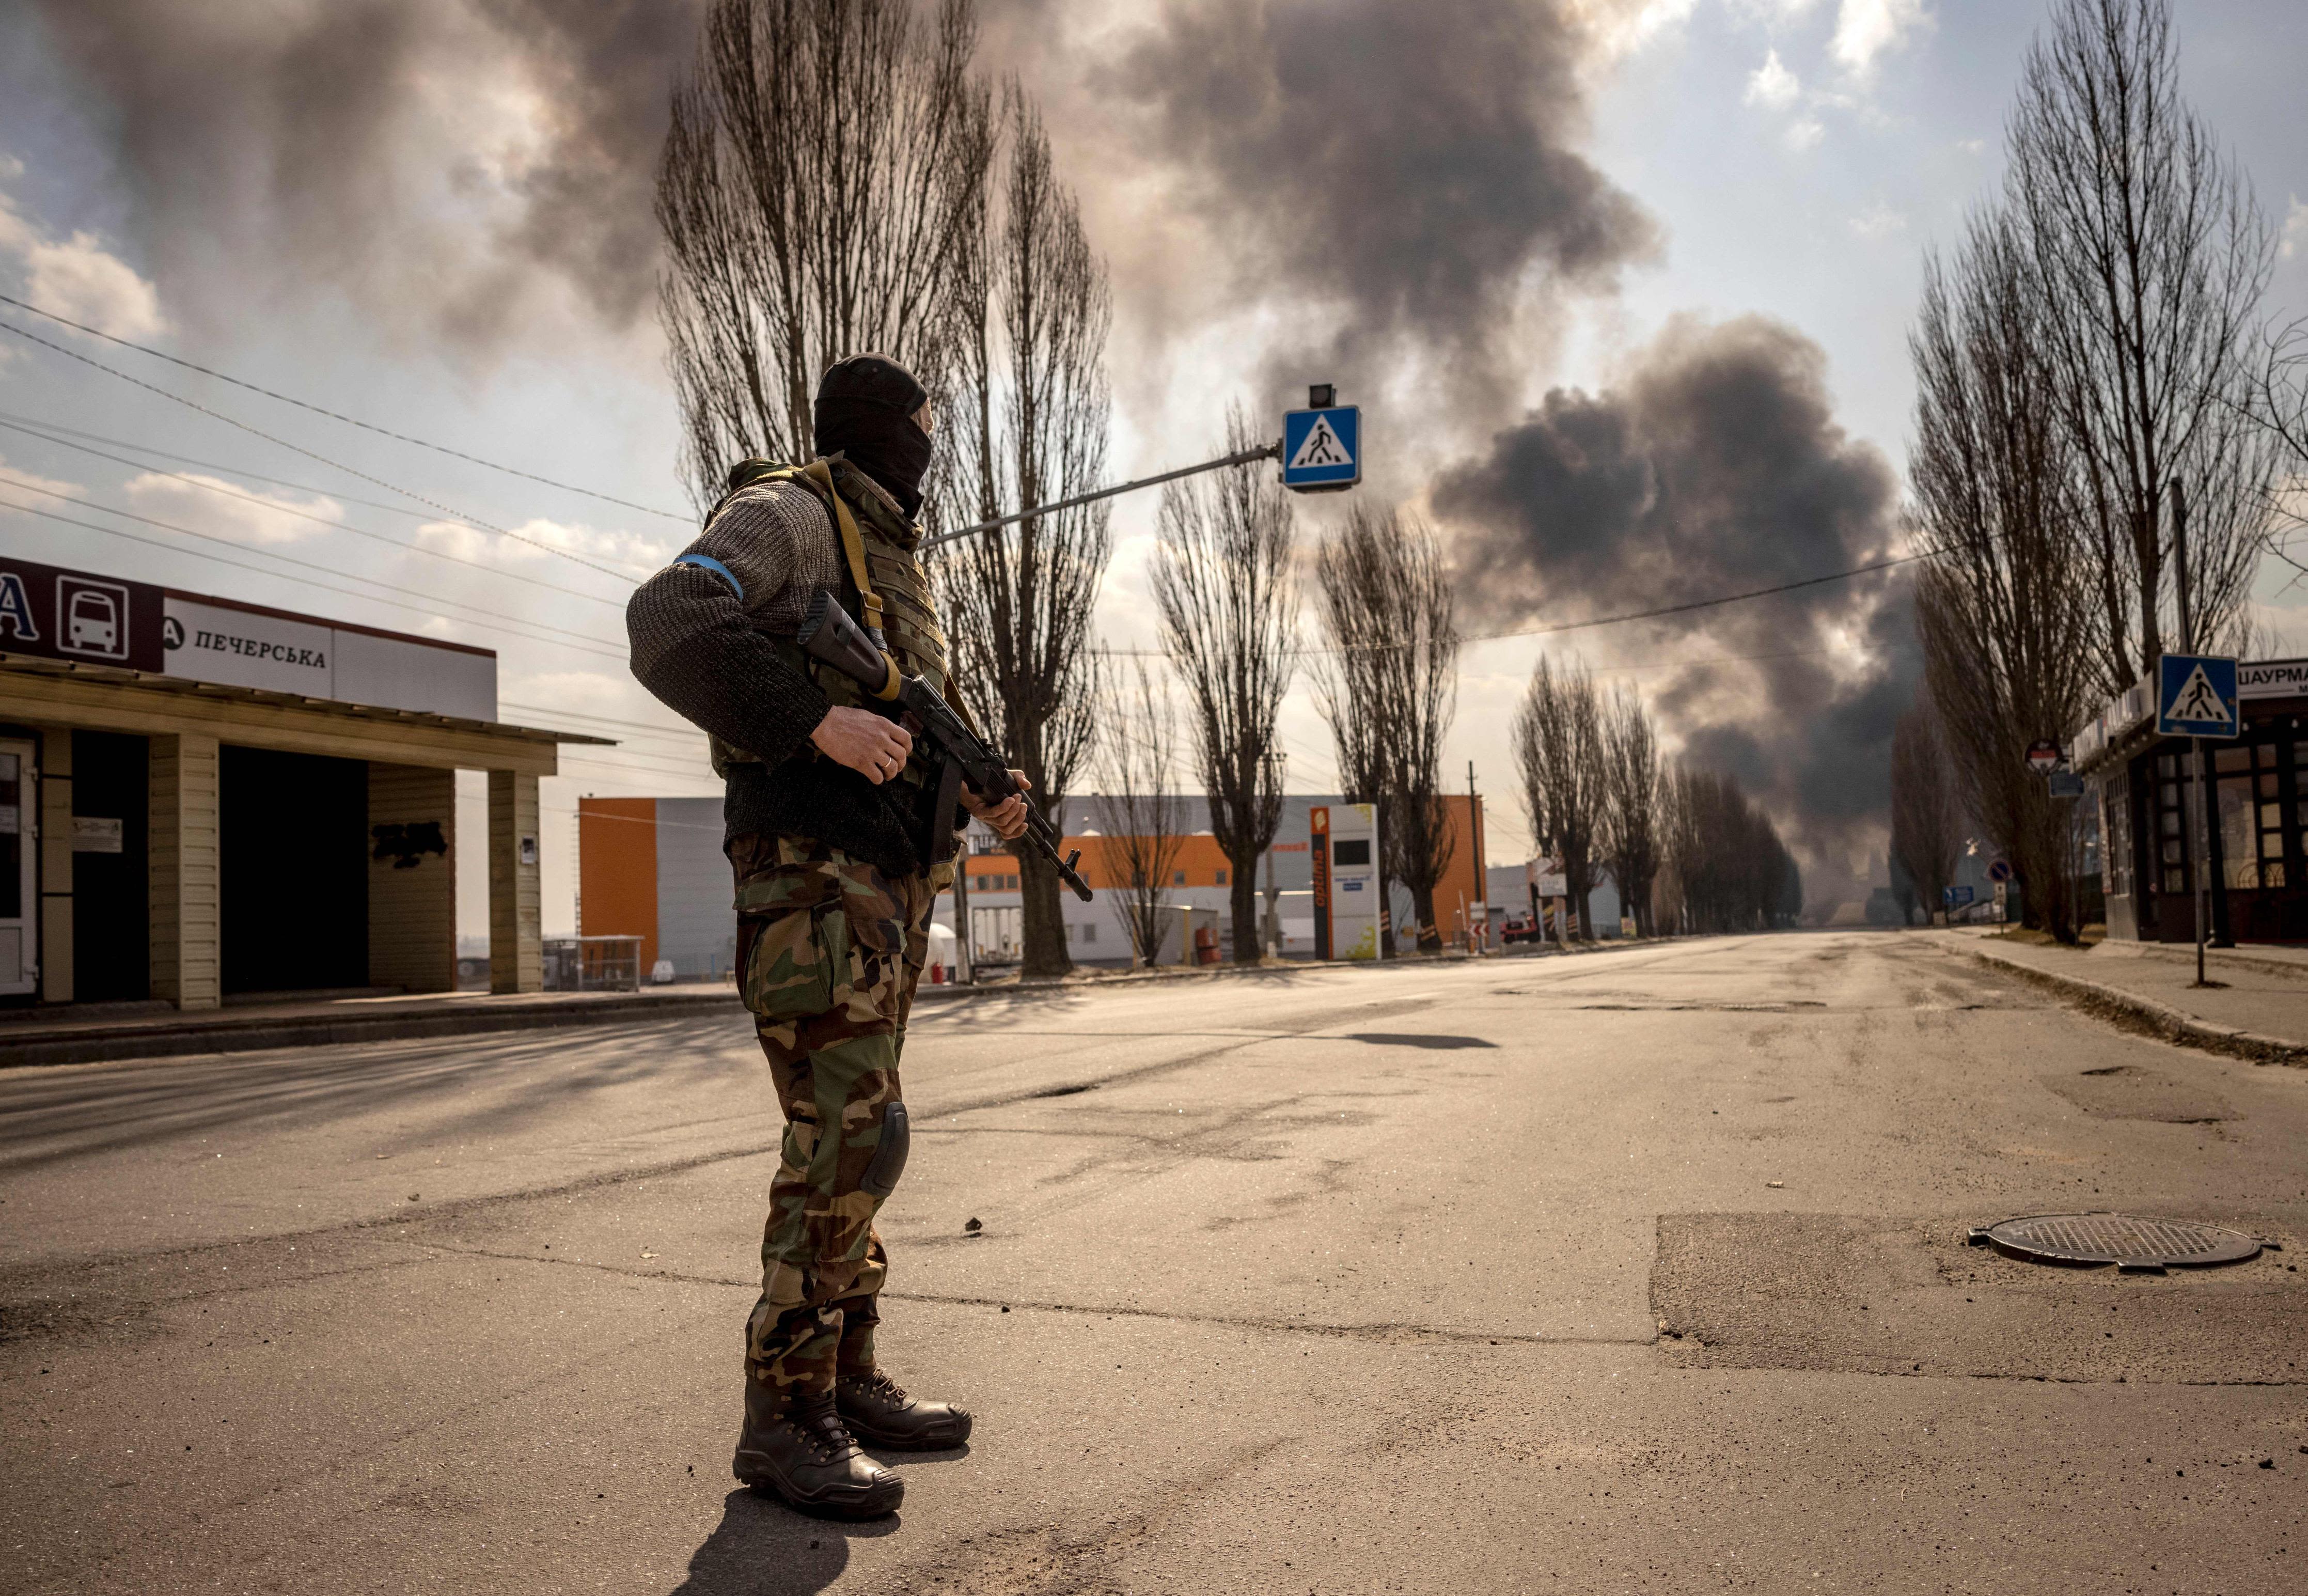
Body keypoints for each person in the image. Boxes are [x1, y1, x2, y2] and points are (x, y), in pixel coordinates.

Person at [627, 353, 1028, 1520]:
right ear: (881, 428)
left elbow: (905, 721)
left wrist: (987, 783)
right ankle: (785, 1415)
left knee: (871, 1136)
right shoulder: (791, 515)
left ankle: (847, 1380)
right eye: (923, 423)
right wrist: (817, 723)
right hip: (811, 880)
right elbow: (668, 617)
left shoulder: (886, 557)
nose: (931, 443)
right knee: (841, 1139)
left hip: (882, 888)